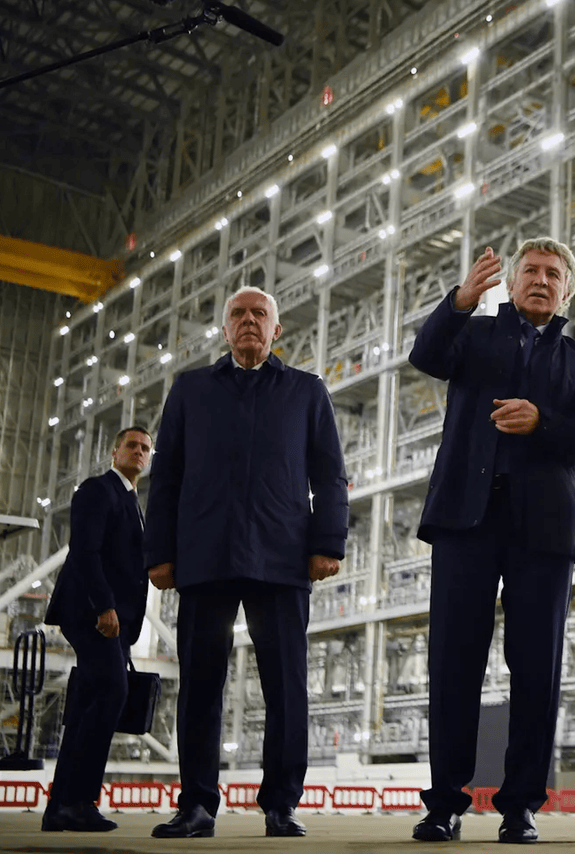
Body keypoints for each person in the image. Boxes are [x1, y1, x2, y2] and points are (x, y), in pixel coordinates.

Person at [408, 237, 575, 844]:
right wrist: (459, 301)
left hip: (540, 530)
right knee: (453, 663)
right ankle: (443, 803)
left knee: (537, 669)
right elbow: (426, 355)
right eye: (531, 272)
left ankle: (521, 806)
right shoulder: (474, 336)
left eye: (553, 274)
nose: (541, 281)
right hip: (466, 520)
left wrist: (541, 422)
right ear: (511, 284)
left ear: (567, 290)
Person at [143, 285, 348, 839]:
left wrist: (328, 541)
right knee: (201, 686)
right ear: (225, 329)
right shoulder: (190, 391)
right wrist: (160, 553)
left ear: (277, 330)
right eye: (239, 314)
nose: (249, 321)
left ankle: (281, 804)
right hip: (205, 556)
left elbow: (329, 474)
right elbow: (167, 479)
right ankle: (197, 806)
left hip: (282, 557)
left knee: (286, 686)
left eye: (261, 314)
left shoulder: (306, 392)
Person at [42, 427, 152, 833]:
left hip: (113, 620)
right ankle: (80, 800)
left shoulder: (131, 501)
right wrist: (104, 606)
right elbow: (84, 551)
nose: (139, 452)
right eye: (132, 445)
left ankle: (61, 808)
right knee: (113, 690)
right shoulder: (98, 489)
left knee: (90, 700)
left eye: (145, 448)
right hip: (92, 612)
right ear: (114, 451)